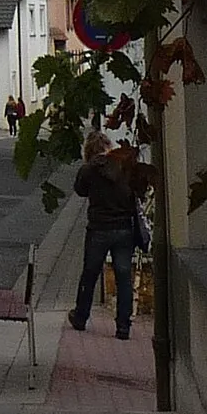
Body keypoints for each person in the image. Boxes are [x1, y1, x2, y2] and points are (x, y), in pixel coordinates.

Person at [68, 134, 142, 340]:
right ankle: (123, 327)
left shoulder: (89, 169)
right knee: (123, 277)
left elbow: (80, 190)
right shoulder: (122, 165)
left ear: (89, 150)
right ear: (108, 146)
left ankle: (81, 317)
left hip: (99, 228)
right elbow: (135, 190)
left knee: (90, 274)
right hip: (123, 229)